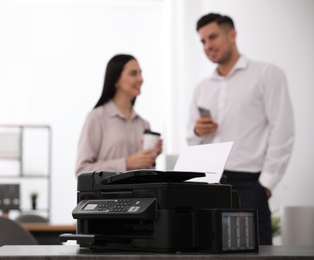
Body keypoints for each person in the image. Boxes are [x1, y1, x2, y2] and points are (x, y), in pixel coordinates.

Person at [186, 13, 294, 245]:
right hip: (209, 186)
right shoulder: (202, 88)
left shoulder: (266, 74)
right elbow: (191, 140)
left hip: (249, 186)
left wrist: (266, 184)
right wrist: (197, 132)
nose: (207, 46)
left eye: (212, 37)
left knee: (256, 255)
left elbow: (282, 129)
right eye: (203, 41)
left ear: (232, 34)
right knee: (204, 251)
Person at [76, 54, 162, 176]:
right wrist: (126, 163)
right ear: (116, 80)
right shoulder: (96, 118)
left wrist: (150, 159)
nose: (140, 79)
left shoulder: (144, 124)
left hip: (140, 195)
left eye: (140, 73)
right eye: (133, 73)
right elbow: (82, 170)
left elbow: (145, 175)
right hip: (108, 195)